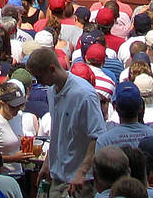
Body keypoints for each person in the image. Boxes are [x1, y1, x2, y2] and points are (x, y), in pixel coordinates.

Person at [25, 46, 105, 198]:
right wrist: (48, 162)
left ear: (52, 69)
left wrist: (81, 172)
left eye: (40, 77)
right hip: (57, 176)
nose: (39, 83)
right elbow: (58, 130)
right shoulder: (51, 90)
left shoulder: (84, 94)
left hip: (79, 181)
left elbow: (97, 136)